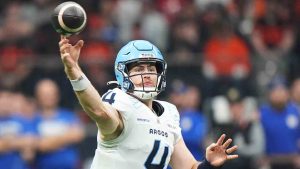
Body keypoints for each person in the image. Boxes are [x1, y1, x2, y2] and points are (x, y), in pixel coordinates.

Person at [58, 36, 238, 169]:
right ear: (123, 74)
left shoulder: (169, 112)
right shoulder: (120, 101)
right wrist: (74, 72)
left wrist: (208, 164)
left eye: (151, 68)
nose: (147, 74)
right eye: (139, 68)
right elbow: (100, 112)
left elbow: (188, 166)